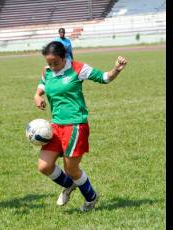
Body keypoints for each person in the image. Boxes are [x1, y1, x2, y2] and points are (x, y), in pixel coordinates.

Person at [34, 41, 127, 211]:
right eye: (49, 63)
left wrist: (116, 70)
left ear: (64, 57)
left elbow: (104, 78)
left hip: (75, 125)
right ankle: (69, 185)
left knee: (71, 169)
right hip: (55, 126)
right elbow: (42, 84)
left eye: (56, 62)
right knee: (44, 166)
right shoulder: (47, 71)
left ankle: (91, 197)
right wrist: (37, 95)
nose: (52, 66)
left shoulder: (78, 68)